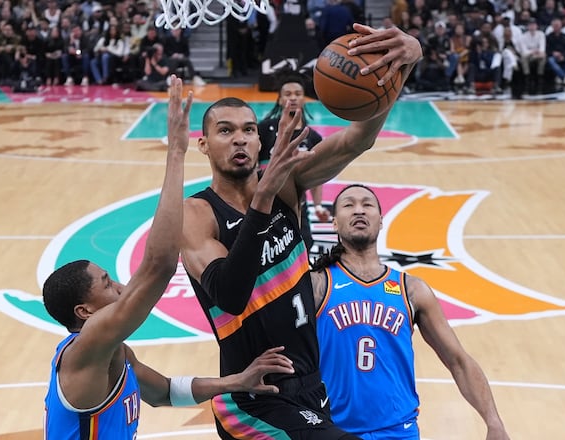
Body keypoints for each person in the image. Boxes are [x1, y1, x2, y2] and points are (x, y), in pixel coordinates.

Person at [179, 23, 423, 440]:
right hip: (253, 397)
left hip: (314, 386)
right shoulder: (197, 214)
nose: (240, 139)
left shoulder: (288, 182)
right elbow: (231, 296)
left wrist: (403, 66)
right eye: (225, 131)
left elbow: (356, 140)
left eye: (249, 130)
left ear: (260, 141)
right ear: (203, 145)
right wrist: (262, 201)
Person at [42, 77, 296, 439]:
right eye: (106, 282)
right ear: (84, 312)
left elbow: (163, 392)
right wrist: (176, 153)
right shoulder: (89, 346)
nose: (118, 284)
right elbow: (158, 268)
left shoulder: (115, 353)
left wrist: (236, 381)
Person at [310, 184, 510, 440]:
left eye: (367, 204)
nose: (359, 210)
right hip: (334, 430)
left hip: (398, 431)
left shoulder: (412, 290)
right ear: (335, 223)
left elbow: (458, 361)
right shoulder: (317, 284)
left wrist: (494, 423)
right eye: (349, 205)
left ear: (381, 221)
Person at [257, 75, 330, 254]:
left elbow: (317, 177)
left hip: (297, 206)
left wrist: (318, 206)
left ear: (304, 99)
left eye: (298, 93)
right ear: (280, 100)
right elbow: (252, 166)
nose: (293, 97)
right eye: (288, 94)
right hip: (265, 203)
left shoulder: (312, 137)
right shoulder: (265, 129)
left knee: (304, 245)